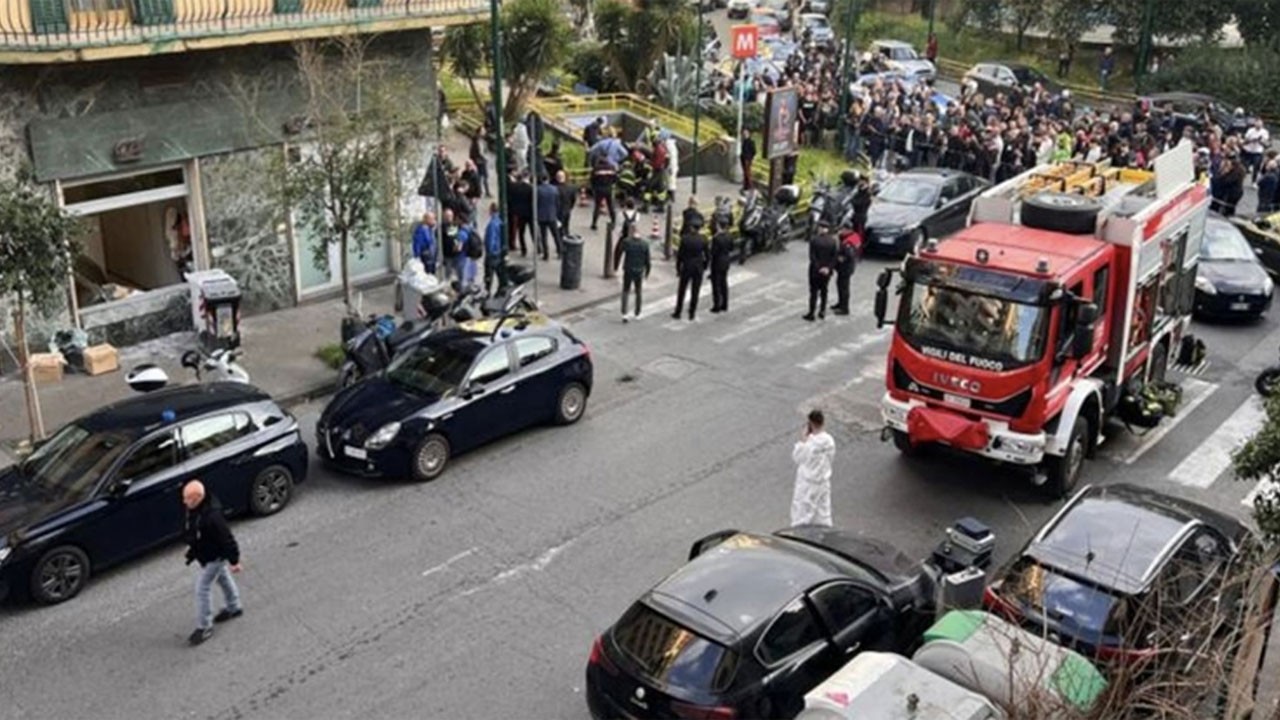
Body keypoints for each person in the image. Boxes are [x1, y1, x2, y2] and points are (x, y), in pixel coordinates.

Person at [182, 480, 242, 646]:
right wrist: (192, 551)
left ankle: (205, 626)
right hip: (208, 554)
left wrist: (234, 560)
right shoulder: (196, 509)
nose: (184, 502)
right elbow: (197, 533)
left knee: (202, 588)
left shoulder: (213, 517)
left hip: (214, 557)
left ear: (198, 498)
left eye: (188, 498)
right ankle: (234, 606)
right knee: (222, 577)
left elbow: (227, 539)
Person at [790, 410, 834, 528]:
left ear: (810, 423)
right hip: (823, 482)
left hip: (807, 483)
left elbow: (797, 458)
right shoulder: (829, 441)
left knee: (801, 513)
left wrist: (803, 440)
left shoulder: (808, 444)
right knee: (823, 512)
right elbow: (830, 458)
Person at [613, 225, 651, 322]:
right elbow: (648, 261)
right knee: (638, 291)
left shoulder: (627, 242)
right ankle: (637, 312)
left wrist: (616, 267)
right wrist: (647, 273)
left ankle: (624, 313)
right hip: (639, 270)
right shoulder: (645, 244)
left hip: (628, 269)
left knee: (626, 290)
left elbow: (619, 253)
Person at [673, 224, 709, 321]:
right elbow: (707, 255)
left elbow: (680, 255)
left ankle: (678, 311)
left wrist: (678, 268)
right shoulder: (703, 239)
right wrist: (704, 266)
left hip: (687, 266)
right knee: (695, 291)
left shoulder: (685, 239)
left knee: (682, 290)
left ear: (691, 228)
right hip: (698, 267)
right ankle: (692, 313)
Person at [804, 225, 838, 321]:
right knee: (824, 291)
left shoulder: (814, 240)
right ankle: (822, 311)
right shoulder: (832, 241)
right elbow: (834, 257)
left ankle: (811, 313)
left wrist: (818, 267)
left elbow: (812, 256)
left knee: (813, 291)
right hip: (827, 271)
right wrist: (828, 268)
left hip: (815, 271)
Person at [830, 229, 859, 315]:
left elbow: (849, 255)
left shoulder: (848, 243)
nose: (840, 231)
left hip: (845, 269)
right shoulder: (854, 237)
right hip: (847, 268)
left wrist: (840, 258)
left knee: (843, 288)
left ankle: (844, 308)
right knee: (840, 285)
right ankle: (840, 303)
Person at [709, 222, 734, 313]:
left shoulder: (716, 238)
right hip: (726, 261)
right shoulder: (729, 236)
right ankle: (725, 304)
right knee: (724, 283)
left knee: (716, 285)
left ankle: (717, 305)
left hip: (717, 262)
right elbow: (731, 247)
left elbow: (713, 252)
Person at [535, 175, 561, 261]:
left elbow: (536, 203)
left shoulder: (538, 190)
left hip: (542, 216)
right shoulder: (554, 189)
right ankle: (560, 251)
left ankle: (546, 254)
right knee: (556, 235)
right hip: (552, 215)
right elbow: (557, 203)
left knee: (544, 236)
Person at [483, 203, 507, 293]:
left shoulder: (492, 224)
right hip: (499, 252)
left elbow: (491, 239)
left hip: (493, 254)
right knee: (501, 275)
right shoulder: (500, 221)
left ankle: (487, 293)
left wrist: (490, 251)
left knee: (489, 276)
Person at [590, 156, 618, 231]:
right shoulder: (612, 167)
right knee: (610, 206)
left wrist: (594, 188)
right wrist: (611, 184)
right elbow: (615, 178)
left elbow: (592, 180)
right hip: (608, 189)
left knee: (597, 206)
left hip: (599, 189)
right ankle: (613, 221)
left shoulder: (596, 168)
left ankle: (594, 223)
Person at [509, 171, 533, 257]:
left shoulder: (515, 187)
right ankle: (538, 247)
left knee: (521, 233)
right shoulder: (531, 188)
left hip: (519, 213)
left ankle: (524, 249)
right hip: (530, 213)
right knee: (533, 231)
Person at [555, 170, 578, 237]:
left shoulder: (555, 189)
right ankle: (567, 240)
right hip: (567, 210)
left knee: (559, 228)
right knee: (566, 226)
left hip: (558, 212)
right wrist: (570, 207)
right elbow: (573, 199)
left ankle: (560, 243)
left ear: (557, 178)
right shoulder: (571, 188)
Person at [469, 132, 490, 198]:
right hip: (481, 161)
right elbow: (481, 152)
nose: (484, 132)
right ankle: (484, 192)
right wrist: (486, 158)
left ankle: (482, 191)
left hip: (479, 161)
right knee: (483, 177)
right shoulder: (478, 142)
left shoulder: (478, 142)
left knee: (481, 177)